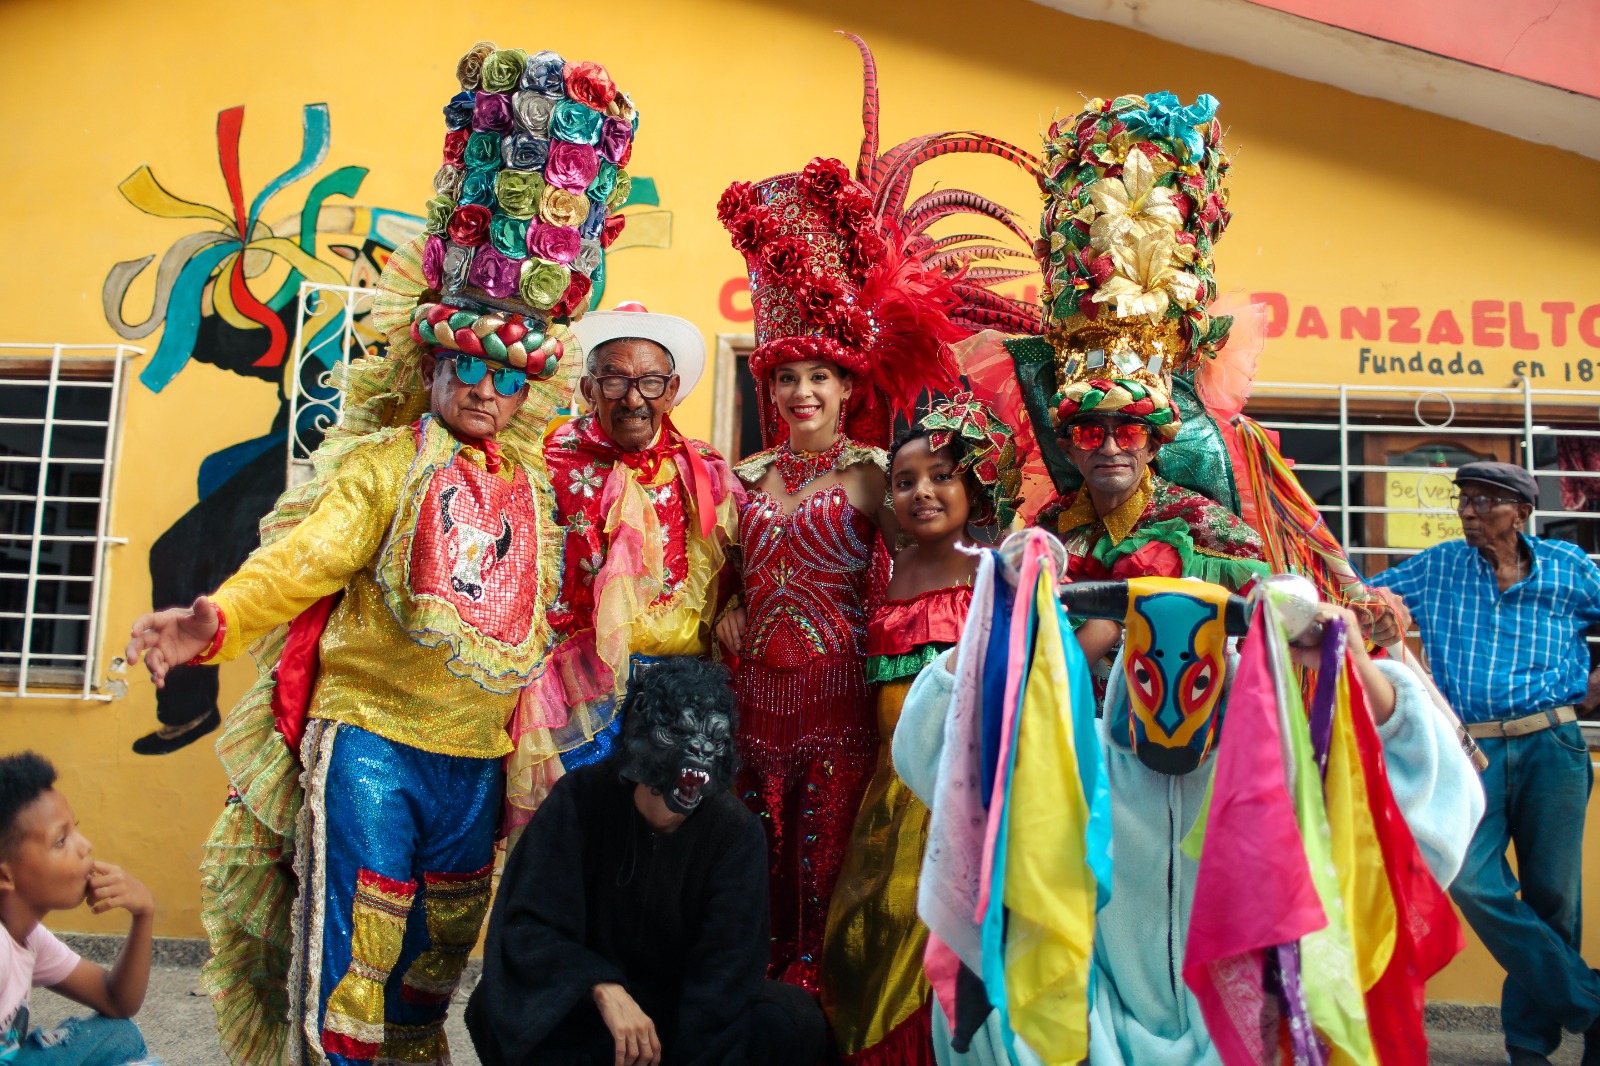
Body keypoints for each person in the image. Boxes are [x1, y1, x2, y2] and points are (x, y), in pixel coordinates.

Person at [121, 41, 635, 1064]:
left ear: (527, 390)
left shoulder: (537, 483)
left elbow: (588, 608)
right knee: (357, 950)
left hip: (478, 757)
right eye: (467, 366)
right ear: (433, 361)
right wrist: (214, 616)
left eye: (506, 375)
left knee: (438, 961)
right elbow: (307, 555)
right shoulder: (388, 464)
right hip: (372, 745)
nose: (485, 390)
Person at [714, 36, 1039, 995]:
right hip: (751, 708)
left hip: (847, 711)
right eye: (787, 376)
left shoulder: (876, 480)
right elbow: (721, 579)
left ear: (845, 382)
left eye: (820, 375)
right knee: (753, 889)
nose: (804, 390)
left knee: (834, 895)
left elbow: (928, 564)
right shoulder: (742, 475)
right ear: (768, 383)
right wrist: (718, 611)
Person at [465, 657, 826, 1066]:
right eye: (681, 735)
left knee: (788, 1020)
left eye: (714, 740)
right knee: (500, 1006)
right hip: (592, 1011)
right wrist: (600, 985)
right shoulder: (580, 799)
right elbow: (528, 927)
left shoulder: (735, 834)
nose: (698, 759)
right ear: (641, 741)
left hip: (677, 1020)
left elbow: (722, 978)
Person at [1370, 460, 1600, 1065]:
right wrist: (1364, 611)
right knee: (1472, 881)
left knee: (1554, 898)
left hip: (1555, 743)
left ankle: (1529, 1046)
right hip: (1470, 749)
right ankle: (1591, 1007)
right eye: (1464, 500)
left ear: (1522, 512)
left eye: (1485, 501)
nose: (1470, 512)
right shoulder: (1442, 564)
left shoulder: (1572, 570)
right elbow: (1373, 602)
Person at [819, 397, 1020, 1065]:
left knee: (930, 933)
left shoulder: (997, 571)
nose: (922, 492)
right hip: (887, 794)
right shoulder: (898, 565)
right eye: (905, 482)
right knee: (866, 930)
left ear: (975, 485)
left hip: (957, 801)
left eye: (941, 476)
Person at [510, 304, 742, 832]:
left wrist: (738, 605)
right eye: (614, 380)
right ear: (589, 389)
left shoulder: (703, 468)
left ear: (673, 387)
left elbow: (739, 566)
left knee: (665, 842)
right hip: (573, 690)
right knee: (578, 832)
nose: (633, 398)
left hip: (680, 689)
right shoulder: (546, 460)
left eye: (650, 382)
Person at [1, 752, 153, 1065]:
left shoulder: (27, 937)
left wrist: (143, 914)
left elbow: (116, 1001)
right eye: (61, 841)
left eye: (75, 829)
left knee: (121, 1035)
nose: (85, 847)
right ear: (5, 875)